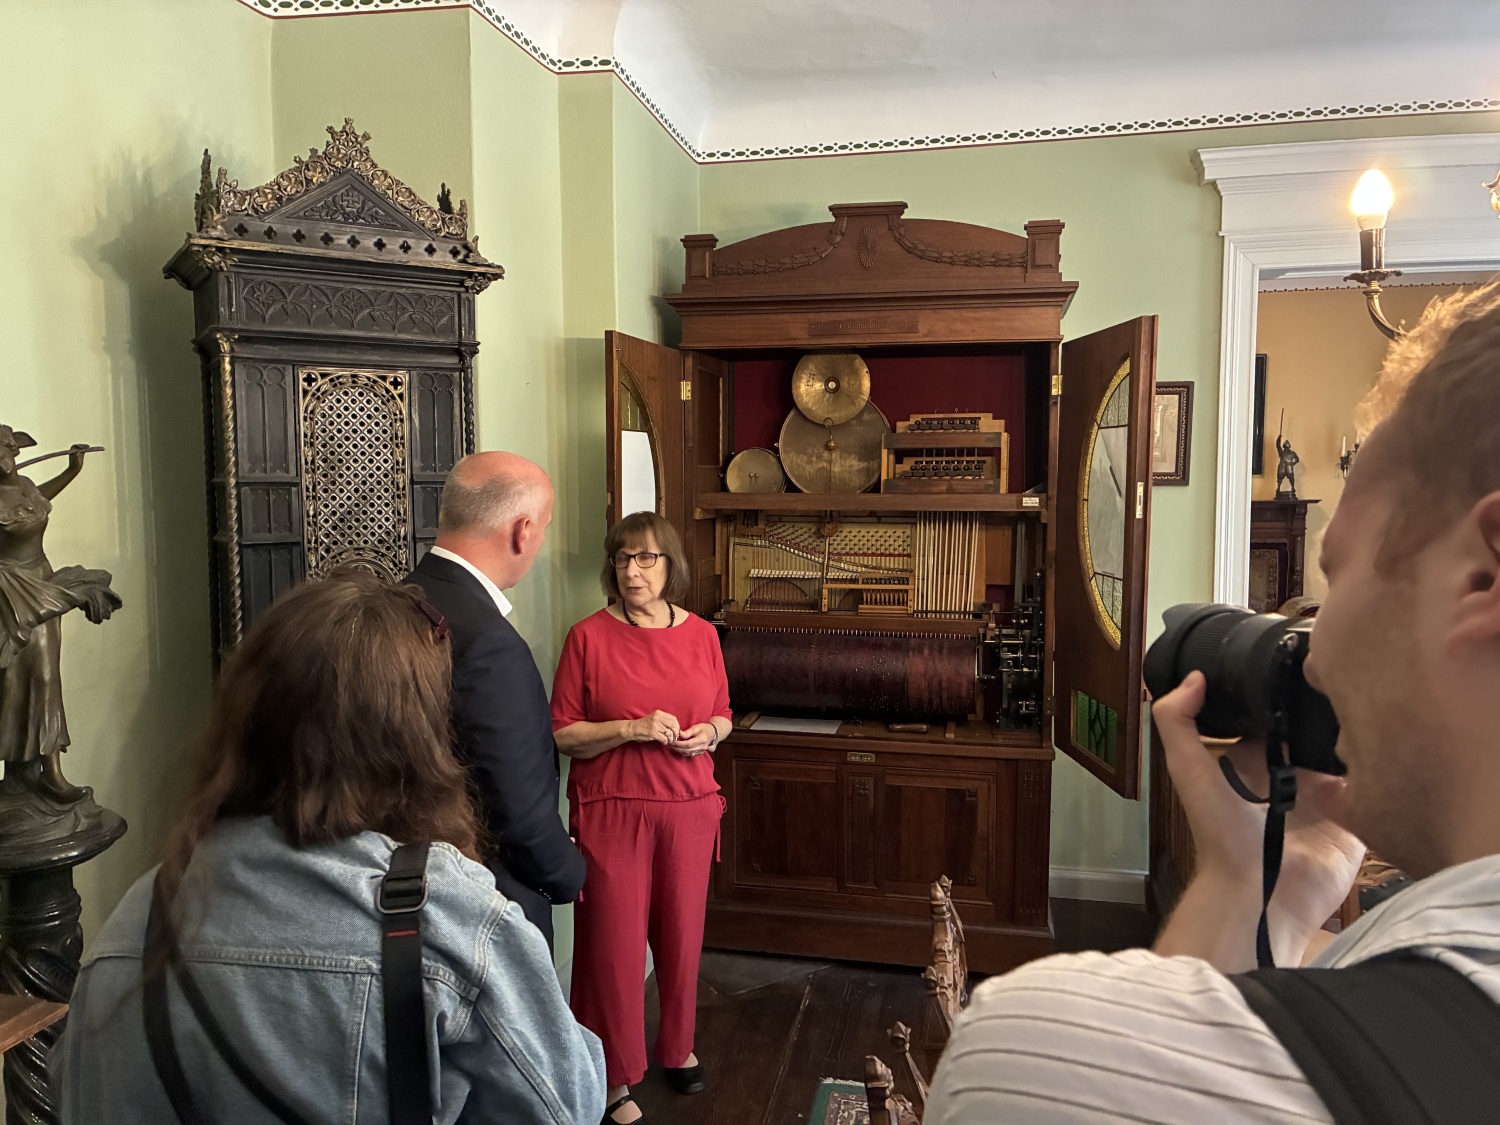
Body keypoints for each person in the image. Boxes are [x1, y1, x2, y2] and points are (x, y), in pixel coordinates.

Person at [925, 283, 1500, 1123]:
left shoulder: (1030, 1058)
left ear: (1481, 578)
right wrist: (1257, 880)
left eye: (1334, 573)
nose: (1310, 643)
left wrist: (1237, 886)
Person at [53, 570, 606, 1124]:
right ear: (414, 737)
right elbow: (568, 1105)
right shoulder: (449, 924)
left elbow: (79, 1098)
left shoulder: (132, 925)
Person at [551, 512, 732, 1125]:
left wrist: (709, 732)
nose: (633, 570)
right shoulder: (587, 637)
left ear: (670, 565)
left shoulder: (704, 634)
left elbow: (724, 713)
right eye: (624, 558)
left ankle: (677, 1048)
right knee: (613, 948)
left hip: (689, 807)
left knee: (681, 940)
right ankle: (610, 1077)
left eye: (647, 558)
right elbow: (565, 734)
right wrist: (629, 728)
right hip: (612, 812)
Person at [404, 451, 585, 950]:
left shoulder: (399, 599)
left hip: (406, 887)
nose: (540, 540)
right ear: (522, 530)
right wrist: (569, 873)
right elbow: (517, 810)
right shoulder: (490, 643)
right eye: (544, 528)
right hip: (487, 905)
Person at [0, 426, 119, 803]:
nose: (2, 460)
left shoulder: (27, 485)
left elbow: (41, 501)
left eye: (5, 451)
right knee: (12, 681)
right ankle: (17, 772)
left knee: (47, 675)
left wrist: (73, 469)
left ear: (16, 450)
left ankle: (51, 771)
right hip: (10, 592)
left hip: (43, 581)